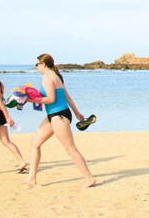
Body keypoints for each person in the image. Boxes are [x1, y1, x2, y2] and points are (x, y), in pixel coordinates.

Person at [21, 53, 96, 188]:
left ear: (43, 64)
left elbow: (51, 99)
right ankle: (31, 178)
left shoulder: (47, 77)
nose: (36, 67)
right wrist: (77, 113)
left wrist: (28, 100)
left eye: (37, 64)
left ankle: (89, 178)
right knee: (35, 143)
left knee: (70, 148)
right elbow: (68, 97)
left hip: (59, 116)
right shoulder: (56, 76)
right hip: (55, 115)